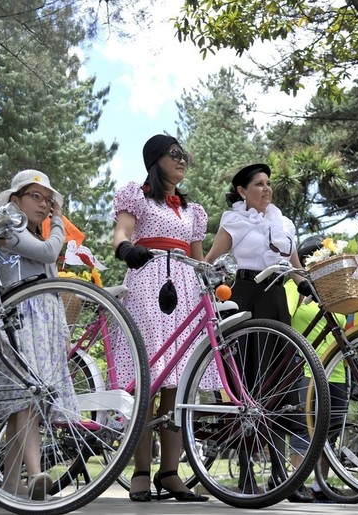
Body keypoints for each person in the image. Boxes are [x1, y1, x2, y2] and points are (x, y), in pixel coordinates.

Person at [112, 134, 209, 502]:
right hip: (148, 280)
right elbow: (121, 232)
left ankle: (170, 472)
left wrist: (212, 281)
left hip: (185, 289)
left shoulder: (194, 210)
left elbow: (200, 259)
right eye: (175, 154)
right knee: (147, 382)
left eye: (185, 154)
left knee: (178, 387)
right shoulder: (135, 195)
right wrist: (126, 249)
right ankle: (140, 470)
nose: (182, 160)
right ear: (156, 158)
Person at [204, 163, 304, 494]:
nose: (266, 188)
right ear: (242, 191)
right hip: (244, 297)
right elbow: (212, 259)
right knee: (246, 381)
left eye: (268, 183)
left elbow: (297, 268)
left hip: (276, 300)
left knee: (278, 383)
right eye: (258, 184)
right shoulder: (233, 220)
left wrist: (309, 284)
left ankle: (279, 471)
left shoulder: (284, 223)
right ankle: (246, 471)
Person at [0, 169, 78, 499]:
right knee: (26, 396)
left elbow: (52, 289)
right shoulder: (5, 229)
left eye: (48, 200)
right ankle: (36, 474)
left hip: (45, 320)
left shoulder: (36, 237)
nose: (44, 205)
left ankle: (10, 484)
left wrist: (63, 331)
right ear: (15, 199)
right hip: (19, 319)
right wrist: (60, 219)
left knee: (27, 406)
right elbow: (51, 253)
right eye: (35, 196)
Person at [283, 235, 349, 503]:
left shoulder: (334, 293)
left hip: (337, 372)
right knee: (303, 431)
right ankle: (297, 484)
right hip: (305, 370)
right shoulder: (292, 287)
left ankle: (320, 487)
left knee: (329, 433)